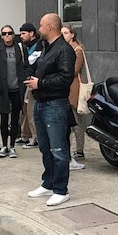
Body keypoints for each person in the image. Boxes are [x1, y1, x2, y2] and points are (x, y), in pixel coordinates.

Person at [25, 13, 76, 207]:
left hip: (55, 105)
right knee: (45, 147)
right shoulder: (47, 48)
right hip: (41, 102)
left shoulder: (64, 50)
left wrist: (41, 83)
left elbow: (66, 77)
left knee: (58, 149)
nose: (39, 29)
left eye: (41, 26)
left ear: (50, 27)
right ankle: (48, 183)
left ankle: (61, 190)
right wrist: (34, 79)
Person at [0, 24, 29, 159]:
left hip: (17, 88)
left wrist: (25, 79)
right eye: (4, 33)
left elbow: (27, 66)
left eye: (9, 33)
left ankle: (12, 146)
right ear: (1, 36)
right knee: (4, 117)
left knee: (15, 117)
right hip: (3, 89)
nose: (7, 36)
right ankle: (4, 145)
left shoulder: (20, 48)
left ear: (13, 34)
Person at [61, 24, 87, 170]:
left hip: (74, 87)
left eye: (66, 33)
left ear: (72, 34)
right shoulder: (65, 49)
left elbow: (74, 70)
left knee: (76, 121)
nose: (63, 35)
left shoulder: (77, 50)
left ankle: (79, 150)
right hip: (68, 87)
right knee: (69, 121)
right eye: (62, 33)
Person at [18, 22, 44, 148]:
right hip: (26, 81)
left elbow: (31, 63)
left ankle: (35, 138)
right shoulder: (25, 46)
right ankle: (25, 134)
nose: (21, 36)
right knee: (24, 109)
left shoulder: (39, 46)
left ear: (32, 33)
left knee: (31, 110)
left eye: (23, 33)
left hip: (34, 82)